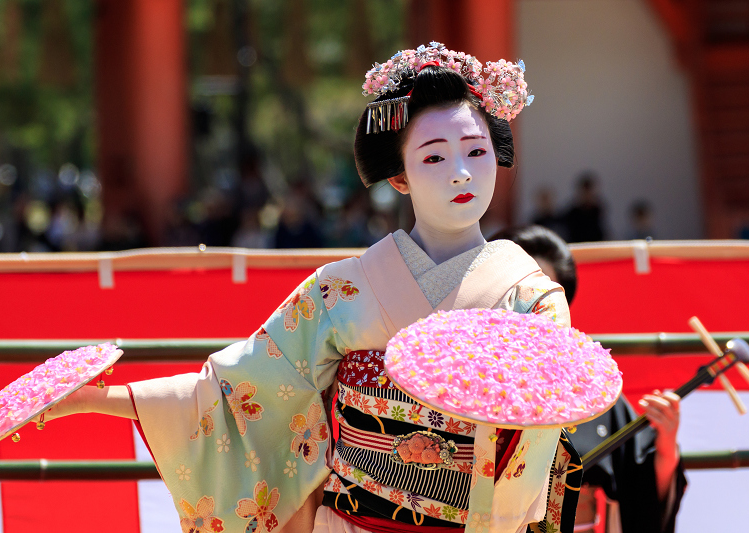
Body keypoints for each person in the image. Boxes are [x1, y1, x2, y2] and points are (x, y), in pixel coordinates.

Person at [42, 43, 585, 533]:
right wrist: (96, 399)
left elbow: (532, 449)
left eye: (476, 151)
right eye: (434, 157)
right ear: (398, 175)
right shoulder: (341, 287)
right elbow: (239, 392)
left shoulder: (531, 298)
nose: (462, 173)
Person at [493, 225, 686, 533]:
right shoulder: (463, 383)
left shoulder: (590, 389)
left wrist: (666, 446)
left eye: (542, 298)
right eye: (515, 295)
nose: (528, 309)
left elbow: (641, 490)